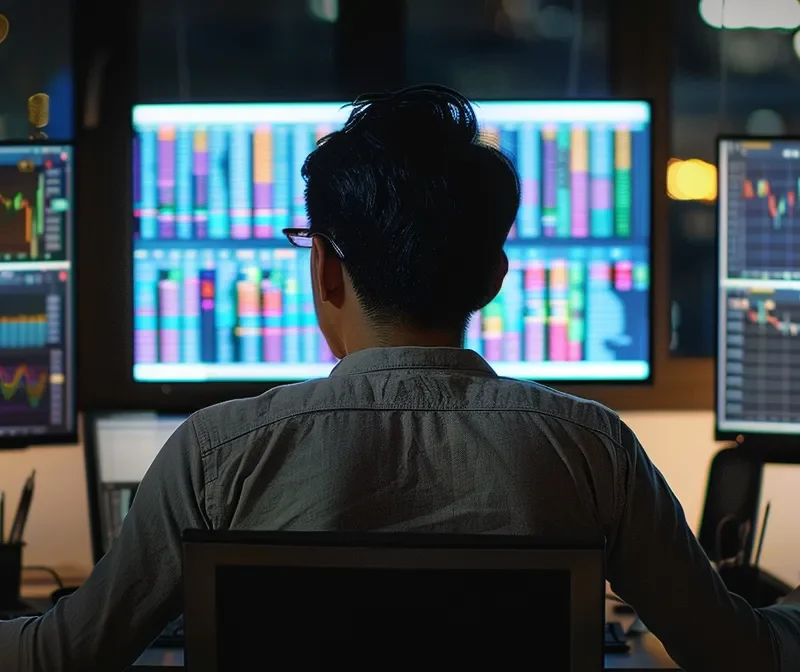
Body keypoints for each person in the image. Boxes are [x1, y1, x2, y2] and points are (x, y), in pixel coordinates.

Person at [1, 85, 799, 671]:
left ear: (326, 270)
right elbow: (741, 657)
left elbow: (60, 660)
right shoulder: (594, 452)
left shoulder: (217, 453)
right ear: (493, 277)